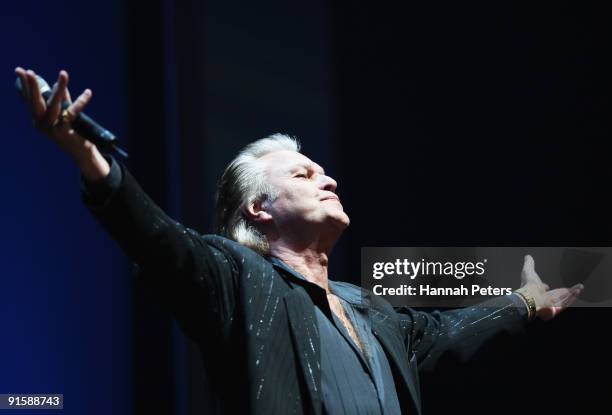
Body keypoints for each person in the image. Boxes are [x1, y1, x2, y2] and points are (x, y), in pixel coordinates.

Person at [15, 67, 584, 415]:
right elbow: (159, 240)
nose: (330, 179)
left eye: (323, 172)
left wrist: (525, 301)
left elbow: (446, 331)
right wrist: (89, 157)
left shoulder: (373, 313)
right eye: (304, 175)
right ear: (259, 208)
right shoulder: (237, 280)